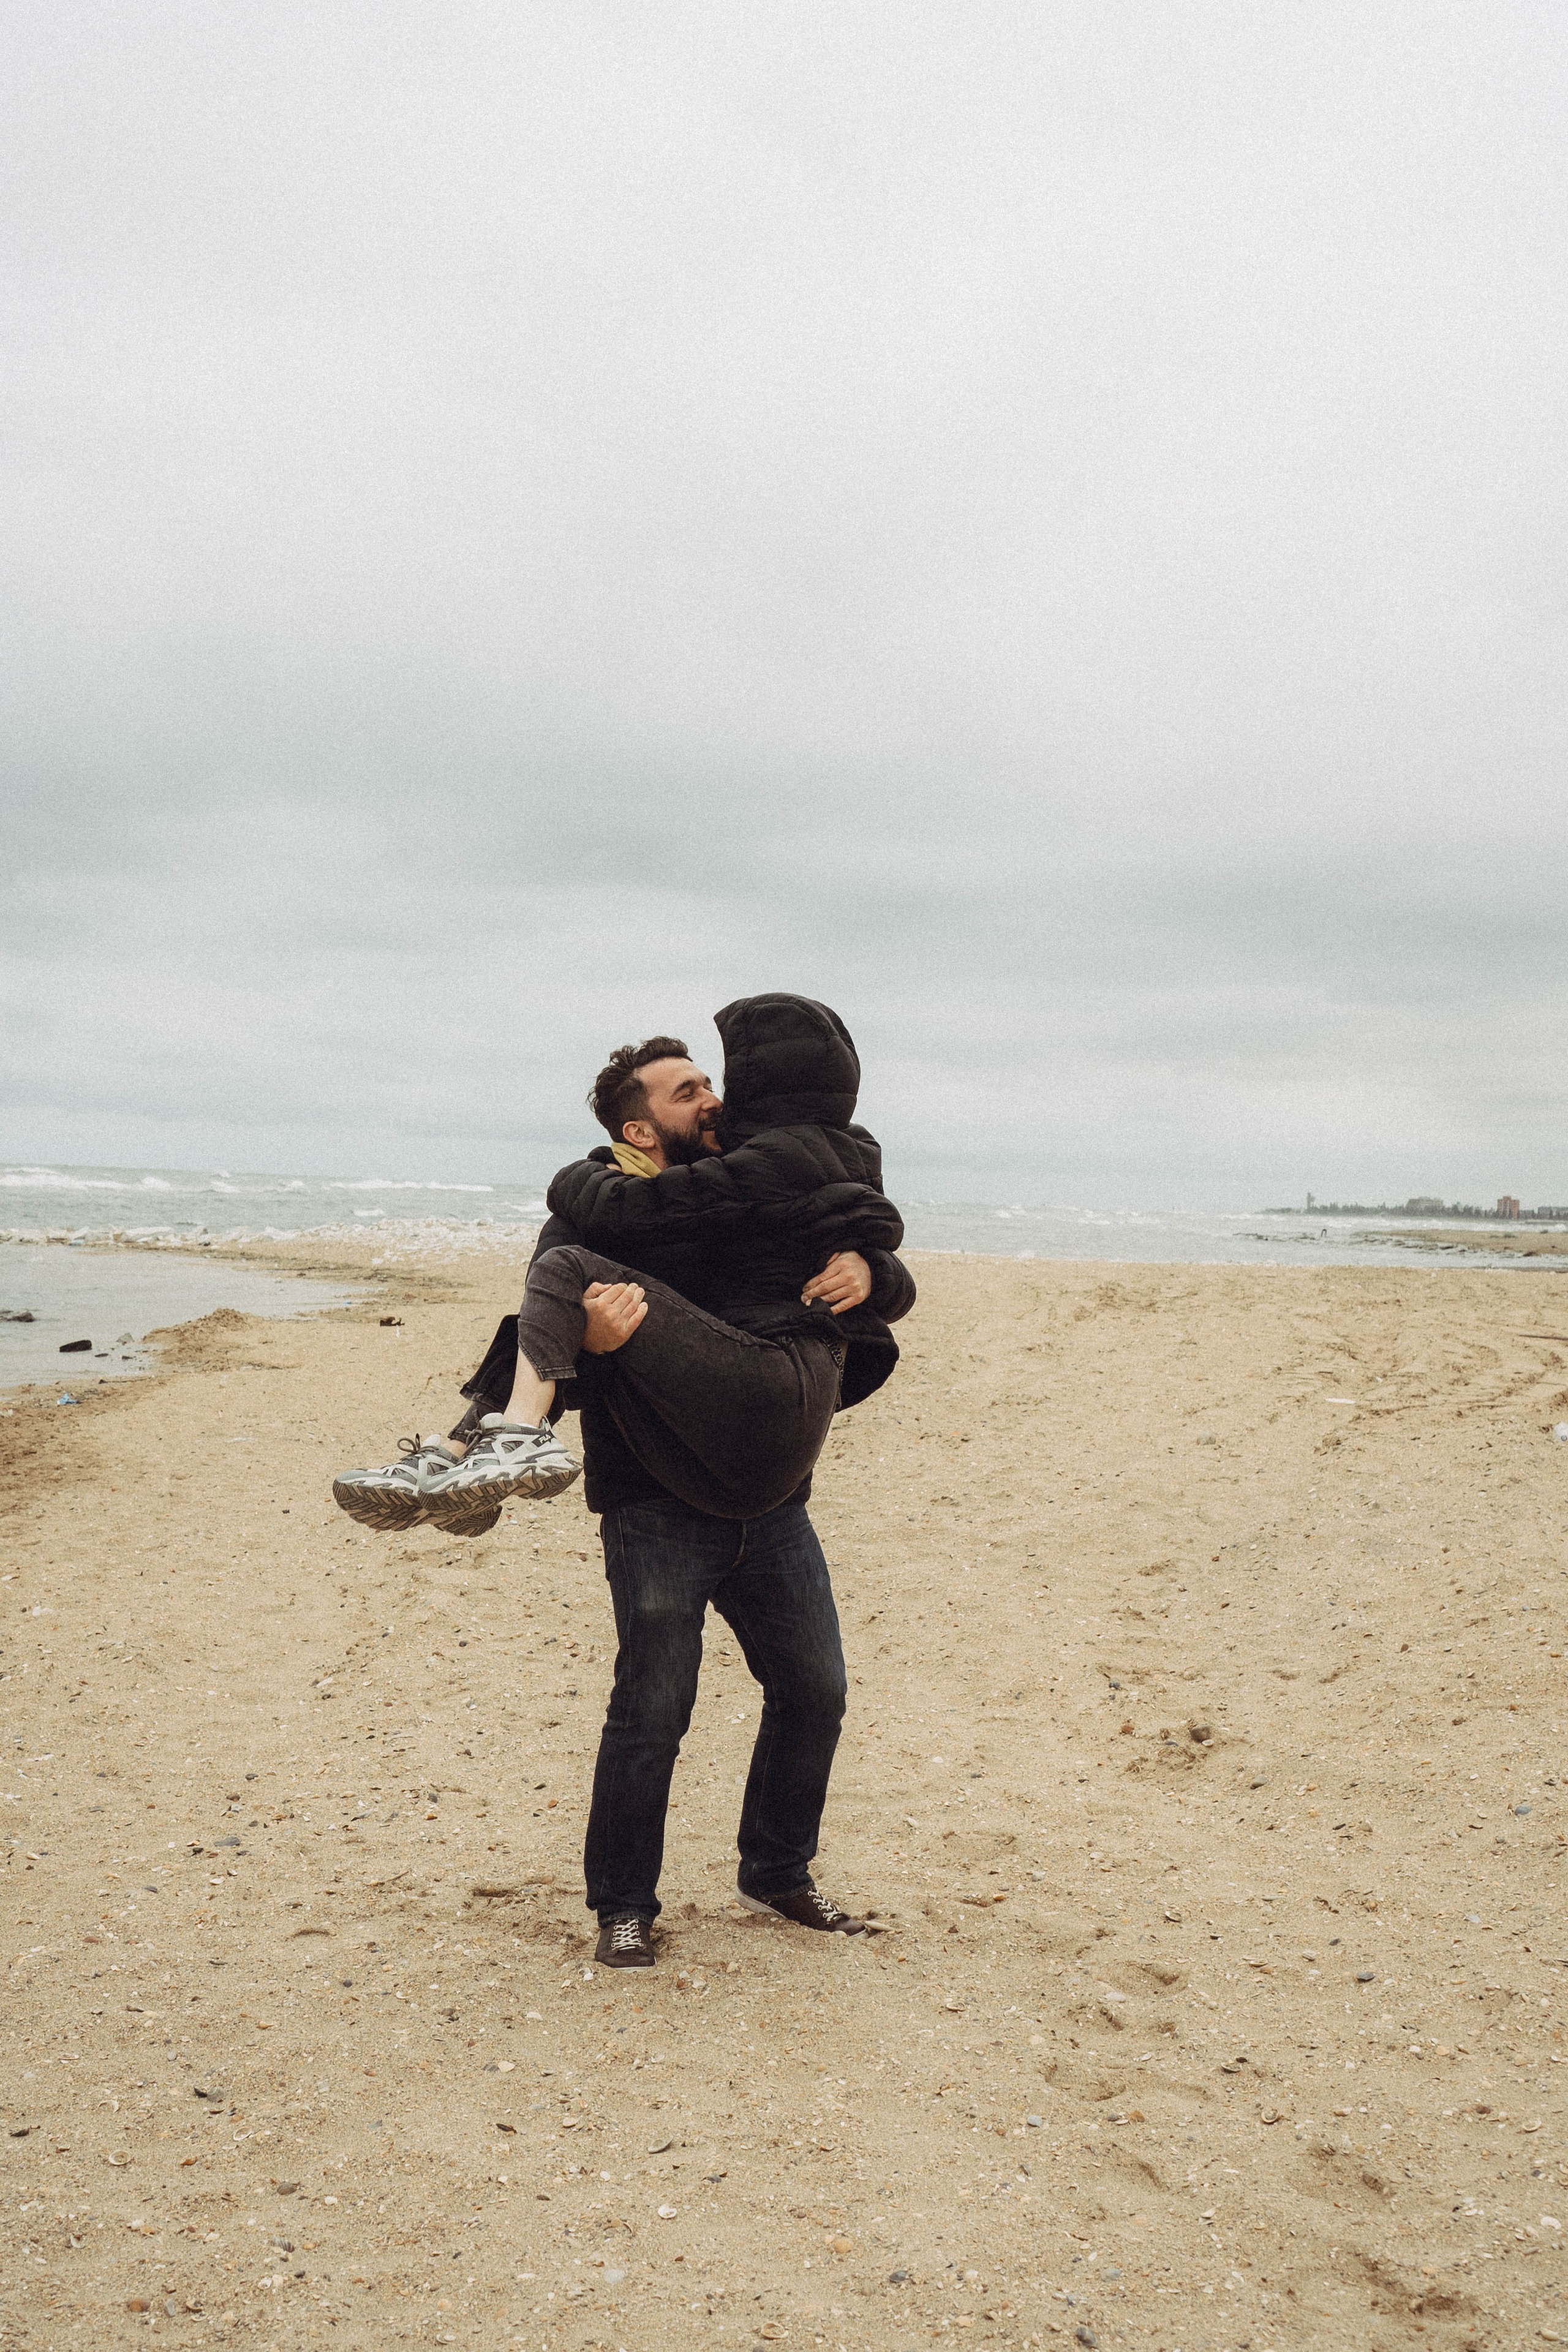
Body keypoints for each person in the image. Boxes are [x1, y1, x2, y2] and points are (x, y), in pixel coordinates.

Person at [333, 994, 915, 1968]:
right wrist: (593, 1348)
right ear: (643, 1126)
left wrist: (868, 1269)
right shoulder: (600, 1204)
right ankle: (624, 1905)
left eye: (711, 1082)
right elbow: (548, 1326)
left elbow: (871, 1249)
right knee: (653, 1709)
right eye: (690, 1093)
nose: (712, 1101)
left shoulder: (748, 1185)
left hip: (773, 1505)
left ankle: (777, 1871)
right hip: (656, 1505)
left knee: (814, 1691)